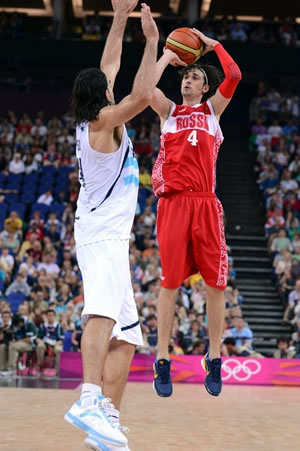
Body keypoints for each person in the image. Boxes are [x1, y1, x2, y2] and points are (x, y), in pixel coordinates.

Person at [64, 2, 159, 450]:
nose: (111, 83)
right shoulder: (102, 122)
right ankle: (87, 397)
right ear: (100, 94)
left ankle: (105, 422)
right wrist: (157, 48)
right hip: (100, 234)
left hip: (112, 238)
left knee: (128, 337)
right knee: (100, 314)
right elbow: (141, 96)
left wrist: (120, 17)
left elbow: (109, 64)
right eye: (107, 86)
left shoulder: (94, 116)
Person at [150, 29, 242, 397]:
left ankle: (214, 358)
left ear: (205, 89)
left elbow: (233, 75)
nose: (188, 79)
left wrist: (211, 43)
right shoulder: (168, 112)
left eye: (196, 78)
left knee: (215, 284)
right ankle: (162, 359)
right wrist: (164, 57)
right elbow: (143, 91)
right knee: (169, 284)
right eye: (187, 75)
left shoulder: (212, 111)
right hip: (173, 205)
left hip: (205, 202)